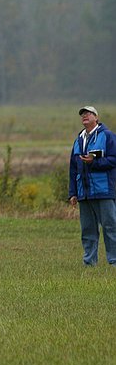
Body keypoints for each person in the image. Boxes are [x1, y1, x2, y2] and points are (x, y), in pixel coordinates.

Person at [68, 106, 116, 266]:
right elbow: (73, 169)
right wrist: (73, 193)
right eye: (82, 114)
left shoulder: (107, 136)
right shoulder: (78, 140)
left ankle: (114, 261)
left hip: (104, 191)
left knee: (110, 227)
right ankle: (89, 262)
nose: (84, 116)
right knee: (87, 230)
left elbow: (114, 159)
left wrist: (94, 162)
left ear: (96, 117)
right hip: (84, 193)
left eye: (88, 113)